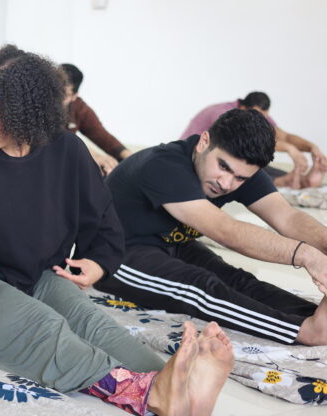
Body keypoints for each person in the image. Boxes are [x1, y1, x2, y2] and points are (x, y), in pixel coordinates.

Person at [0, 45, 233, 416]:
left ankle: (179, 383)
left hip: (38, 278)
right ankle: (149, 393)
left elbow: (103, 221)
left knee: (93, 322)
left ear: (27, 113)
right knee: (47, 329)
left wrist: (97, 263)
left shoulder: (67, 151)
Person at [97, 109, 327, 346]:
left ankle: (310, 315)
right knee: (199, 286)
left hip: (174, 243)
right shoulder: (163, 165)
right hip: (117, 254)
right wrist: (308, 256)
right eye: (223, 167)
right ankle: (306, 332)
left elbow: (287, 217)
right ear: (203, 142)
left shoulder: (242, 171)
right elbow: (225, 230)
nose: (226, 183)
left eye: (240, 178)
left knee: (236, 280)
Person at [181, 92, 326, 189]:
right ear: (243, 107)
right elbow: (244, 139)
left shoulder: (256, 115)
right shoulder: (222, 112)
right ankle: (288, 181)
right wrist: (289, 149)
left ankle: (300, 180)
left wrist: (312, 147)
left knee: (259, 168)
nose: (263, 119)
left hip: (234, 157)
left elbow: (284, 136)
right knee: (250, 171)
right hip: (196, 158)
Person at [60, 63, 132, 175]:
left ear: (74, 96)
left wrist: (133, 159)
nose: (56, 98)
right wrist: (91, 155)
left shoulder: (78, 108)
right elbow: (53, 137)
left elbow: (101, 135)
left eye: (64, 94)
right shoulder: (37, 103)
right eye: (54, 91)